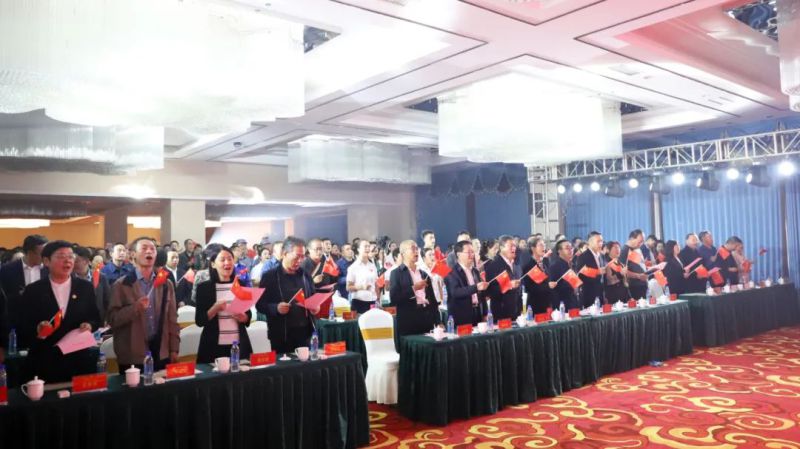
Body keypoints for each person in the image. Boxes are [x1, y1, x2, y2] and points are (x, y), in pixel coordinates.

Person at [22, 241, 101, 382]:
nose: (67, 261)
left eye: (70, 256)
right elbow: (22, 324)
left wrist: (89, 325)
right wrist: (38, 329)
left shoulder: (85, 287)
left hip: (79, 359)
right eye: (61, 256)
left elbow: (95, 318)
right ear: (46, 261)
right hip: (45, 360)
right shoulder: (33, 290)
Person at [107, 237, 180, 373]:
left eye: (152, 249)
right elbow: (113, 319)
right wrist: (135, 308)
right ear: (133, 254)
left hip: (161, 351)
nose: (149, 251)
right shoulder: (122, 285)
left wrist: (174, 349)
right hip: (133, 355)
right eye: (144, 248)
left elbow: (172, 319)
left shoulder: (165, 284)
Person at [257, 236, 318, 353]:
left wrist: (315, 307)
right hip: (281, 334)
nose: (300, 261)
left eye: (303, 256)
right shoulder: (270, 276)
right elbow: (260, 305)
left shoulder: (305, 275)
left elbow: (312, 298)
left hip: (305, 332)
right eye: (297, 256)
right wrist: (276, 308)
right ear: (284, 254)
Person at [194, 245, 252, 364]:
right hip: (212, 345)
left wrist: (244, 317)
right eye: (222, 259)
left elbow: (248, 314)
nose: (227, 262)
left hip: (238, 345)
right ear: (213, 264)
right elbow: (199, 321)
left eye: (230, 259)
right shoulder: (204, 288)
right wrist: (214, 309)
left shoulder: (240, 284)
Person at [0, 234, 48, 346]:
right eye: (42, 253)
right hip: (16, 325)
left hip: (43, 323)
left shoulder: (48, 269)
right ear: (30, 252)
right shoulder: (7, 270)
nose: (46, 257)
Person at [390, 240, 440, 336]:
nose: (416, 251)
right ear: (403, 253)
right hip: (409, 319)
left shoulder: (423, 274)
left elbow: (432, 300)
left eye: (417, 249)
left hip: (426, 317)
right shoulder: (396, 273)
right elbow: (394, 298)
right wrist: (414, 288)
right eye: (413, 249)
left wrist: (438, 321)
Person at [444, 241, 488, 326]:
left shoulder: (475, 271)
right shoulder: (451, 272)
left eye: (473, 252)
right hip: (462, 316)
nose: (472, 255)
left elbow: (482, 295)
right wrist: (476, 287)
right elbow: (455, 292)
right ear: (459, 254)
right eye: (468, 252)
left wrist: (485, 313)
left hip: (477, 312)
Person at [484, 235, 523, 320]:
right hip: (501, 313)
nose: (514, 248)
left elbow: (519, 291)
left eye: (514, 246)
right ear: (501, 248)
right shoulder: (492, 266)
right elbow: (490, 290)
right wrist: (509, 285)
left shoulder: (517, 265)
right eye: (511, 246)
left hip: (517, 313)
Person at [73, 245, 111, 321]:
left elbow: (107, 300)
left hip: (97, 320)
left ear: (86, 261)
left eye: (76, 261)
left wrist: (107, 319)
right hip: (74, 321)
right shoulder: (68, 278)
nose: (73, 263)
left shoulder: (101, 277)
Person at [520, 237, 553, 314]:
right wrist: (548, 286)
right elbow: (530, 288)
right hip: (535, 306)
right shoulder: (528, 267)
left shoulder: (545, 263)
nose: (544, 247)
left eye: (544, 245)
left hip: (548, 304)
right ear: (533, 248)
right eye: (541, 245)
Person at [346, 240, 379, 313]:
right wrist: (361, 287)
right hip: (359, 303)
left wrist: (378, 299)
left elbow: (376, 283)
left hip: (372, 302)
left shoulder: (372, 265)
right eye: (365, 246)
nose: (368, 248)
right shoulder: (353, 267)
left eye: (368, 246)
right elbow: (348, 287)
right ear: (358, 249)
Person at [575, 231, 604, 308]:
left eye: (601, 241)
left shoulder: (601, 256)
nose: (601, 244)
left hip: (601, 294)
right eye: (598, 241)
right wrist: (597, 273)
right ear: (590, 242)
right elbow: (580, 275)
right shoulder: (583, 256)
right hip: (589, 295)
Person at [548, 239, 580, 310]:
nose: (570, 250)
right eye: (567, 248)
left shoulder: (572, 264)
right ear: (559, 251)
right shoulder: (555, 266)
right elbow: (552, 287)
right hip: (563, 305)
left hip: (574, 302)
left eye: (571, 248)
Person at [619, 230, 649, 299]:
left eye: (643, 242)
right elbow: (622, 271)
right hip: (634, 287)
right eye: (640, 241)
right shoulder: (625, 250)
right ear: (632, 239)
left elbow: (639, 266)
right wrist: (638, 276)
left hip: (642, 284)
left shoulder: (637, 249)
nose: (641, 244)